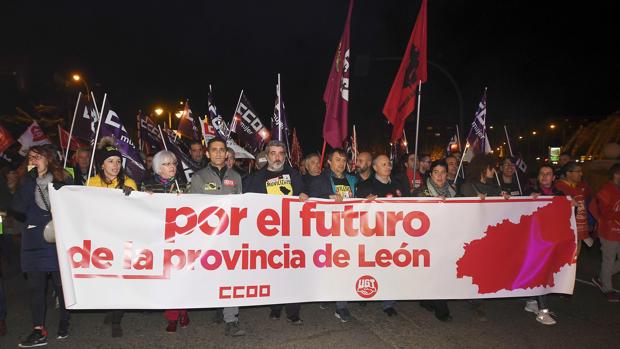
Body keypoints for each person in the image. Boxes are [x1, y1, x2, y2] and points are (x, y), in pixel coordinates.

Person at [11, 144, 72, 347]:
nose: (33, 161)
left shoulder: (62, 179)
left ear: (48, 159)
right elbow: (17, 208)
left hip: (55, 241)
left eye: (38, 157)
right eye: (30, 158)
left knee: (60, 285)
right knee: (36, 288)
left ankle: (64, 319)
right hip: (33, 242)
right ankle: (38, 329)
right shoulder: (25, 181)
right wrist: (30, 180)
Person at [243, 140, 308, 325]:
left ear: (285, 156)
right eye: (273, 153)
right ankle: (275, 306)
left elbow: (304, 191)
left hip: (291, 234)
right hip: (267, 236)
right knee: (272, 272)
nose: (277, 157)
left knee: (292, 273)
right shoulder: (255, 178)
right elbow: (247, 203)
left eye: (281, 153)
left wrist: (304, 193)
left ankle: (293, 311)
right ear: (267, 155)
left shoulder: (294, 175)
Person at [189, 138, 246, 336]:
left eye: (222, 150)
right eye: (214, 150)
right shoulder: (198, 177)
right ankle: (218, 307)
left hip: (230, 236)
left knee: (231, 276)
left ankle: (232, 319)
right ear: (208, 154)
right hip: (207, 238)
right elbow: (192, 208)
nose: (219, 153)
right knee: (210, 277)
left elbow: (241, 207)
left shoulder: (236, 177)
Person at [87, 137, 138, 337]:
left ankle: (117, 318)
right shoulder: (91, 183)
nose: (115, 165)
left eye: (118, 161)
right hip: (100, 238)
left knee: (120, 279)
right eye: (110, 161)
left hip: (122, 239)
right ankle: (110, 308)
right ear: (101, 164)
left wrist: (132, 195)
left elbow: (139, 210)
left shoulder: (129, 182)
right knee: (105, 278)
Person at [308, 148, 358, 322]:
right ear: (329, 162)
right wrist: (326, 197)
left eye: (343, 160)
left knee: (342, 267)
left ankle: (335, 299)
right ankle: (340, 306)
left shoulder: (352, 179)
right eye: (337, 160)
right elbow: (311, 197)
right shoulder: (320, 179)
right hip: (328, 230)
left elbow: (358, 200)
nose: (341, 164)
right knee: (334, 267)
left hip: (348, 230)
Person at [355, 154, 407, 317]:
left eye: (389, 164)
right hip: (371, 235)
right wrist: (365, 203)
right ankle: (365, 293)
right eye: (384, 164)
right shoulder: (365, 186)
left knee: (390, 267)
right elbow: (354, 210)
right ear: (375, 168)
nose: (388, 167)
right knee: (370, 265)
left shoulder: (398, 185)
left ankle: (388, 302)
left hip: (393, 235)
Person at [413, 160, 455, 322]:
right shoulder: (420, 192)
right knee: (436, 272)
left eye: (443, 172)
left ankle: (426, 300)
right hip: (427, 240)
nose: (439, 176)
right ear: (430, 174)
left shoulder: (454, 191)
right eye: (436, 172)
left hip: (448, 238)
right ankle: (441, 309)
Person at [524, 164, 561, 325]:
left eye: (549, 174)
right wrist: (528, 200)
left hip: (552, 241)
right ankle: (542, 311)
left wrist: (571, 204)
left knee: (546, 272)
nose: (545, 176)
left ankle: (531, 301)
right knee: (541, 273)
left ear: (553, 178)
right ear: (538, 177)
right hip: (535, 241)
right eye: (542, 173)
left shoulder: (560, 195)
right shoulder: (529, 193)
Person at [590, 164, 620, 302]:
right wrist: (602, 221)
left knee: (611, 261)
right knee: (609, 259)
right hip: (609, 231)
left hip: (617, 230)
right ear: (614, 174)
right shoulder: (607, 190)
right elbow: (595, 207)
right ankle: (607, 287)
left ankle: (602, 277)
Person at [555, 161, 591, 253]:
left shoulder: (579, 187)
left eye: (581, 171)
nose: (581, 174)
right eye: (578, 171)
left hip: (579, 230)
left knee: (575, 257)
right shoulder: (559, 188)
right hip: (566, 231)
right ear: (568, 173)